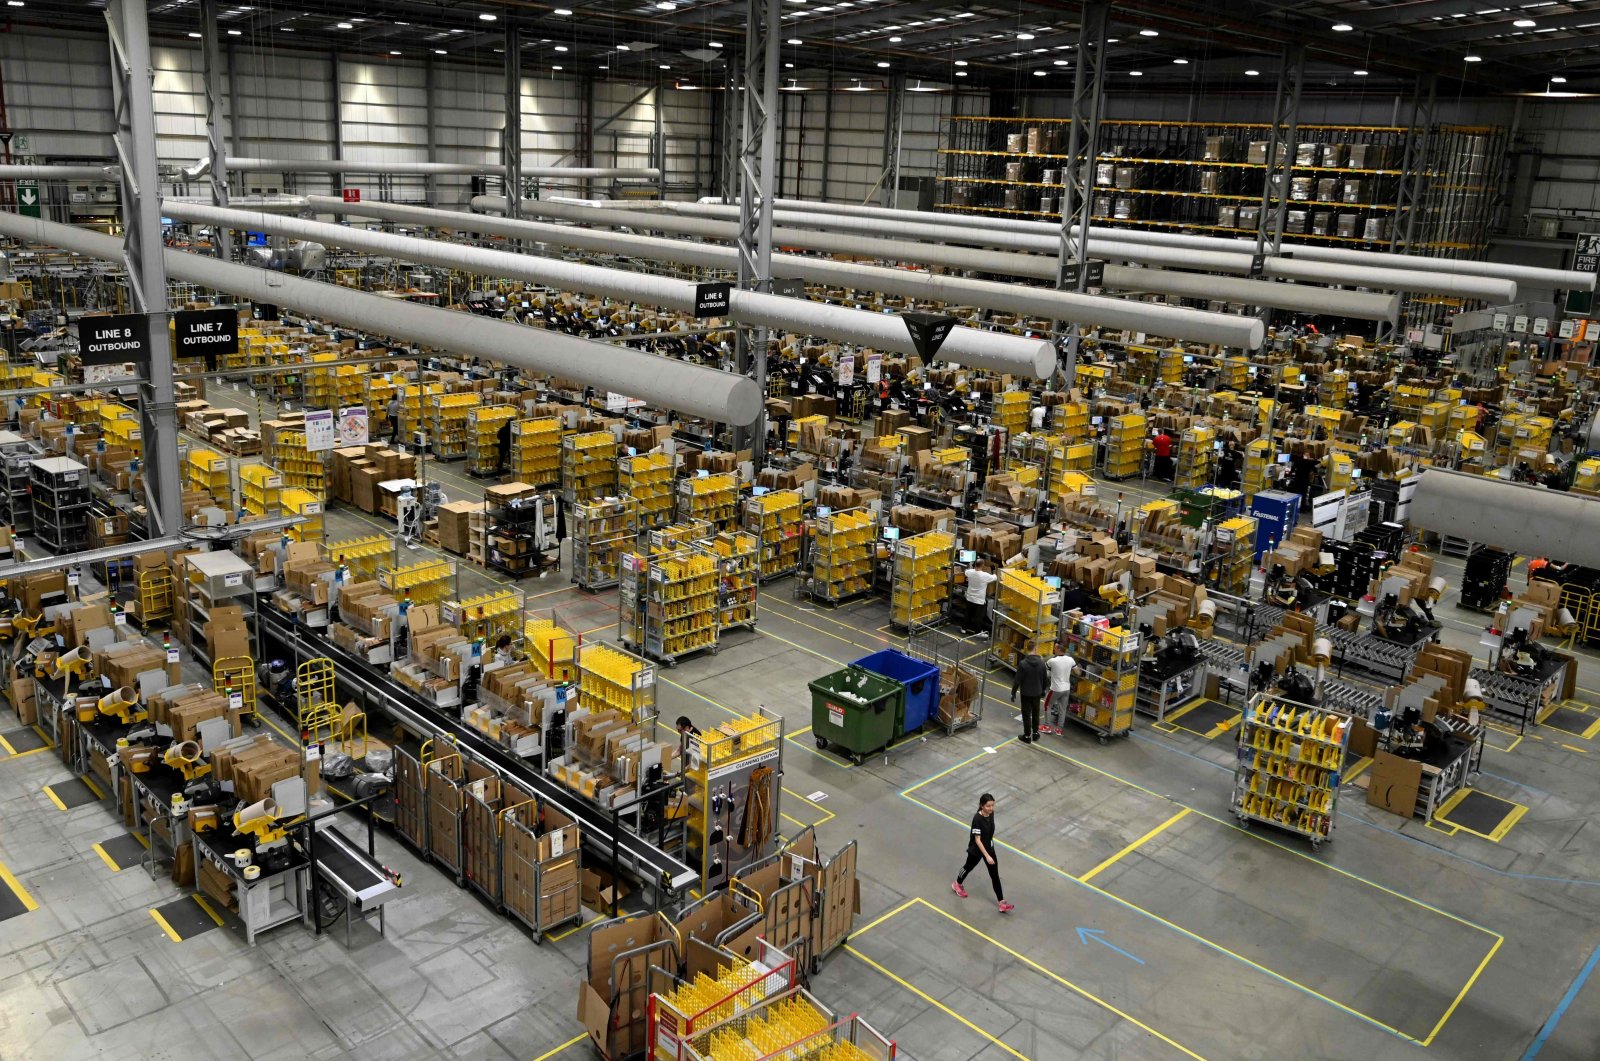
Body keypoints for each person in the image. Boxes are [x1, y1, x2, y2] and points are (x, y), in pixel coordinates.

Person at [952, 792, 1012, 914]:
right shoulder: (977, 819)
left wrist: (990, 849)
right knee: (968, 867)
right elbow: (977, 840)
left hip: (989, 848)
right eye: (988, 806)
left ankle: (1002, 902)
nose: (991, 808)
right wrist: (987, 856)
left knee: (994, 875)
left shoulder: (991, 814)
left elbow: (989, 833)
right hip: (977, 850)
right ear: (981, 806)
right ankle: (957, 884)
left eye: (992, 805)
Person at [1011, 640, 1048, 744]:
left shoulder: (1023, 663)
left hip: (1026, 693)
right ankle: (1035, 734)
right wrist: (1043, 690)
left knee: (1026, 715)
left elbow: (1017, 680)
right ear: (1036, 649)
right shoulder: (1041, 663)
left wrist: (1013, 692)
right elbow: (1045, 679)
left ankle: (1027, 736)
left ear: (1027, 649)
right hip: (1037, 692)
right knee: (1036, 713)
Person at [962, 560, 997, 637]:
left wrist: (971, 566)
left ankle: (964, 629)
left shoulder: (970, 572)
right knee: (978, 617)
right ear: (983, 565)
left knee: (968, 614)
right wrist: (995, 570)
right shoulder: (985, 575)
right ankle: (977, 632)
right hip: (979, 600)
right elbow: (995, 577)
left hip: (970, 598)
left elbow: (965, 571)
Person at [1043, 643, 1076, 724]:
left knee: (1047, 705)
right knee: (1062, 709)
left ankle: (1047, 726)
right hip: (1066, 689)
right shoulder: (1070, 660)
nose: (1054, 650)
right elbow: (1078, 672)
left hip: (1056, 689)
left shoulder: (1052, 661)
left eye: (1055, 648)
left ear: (1059, 650)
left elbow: (1043, 669)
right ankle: (1059, 729)